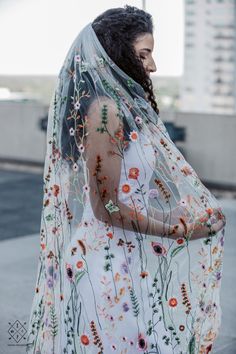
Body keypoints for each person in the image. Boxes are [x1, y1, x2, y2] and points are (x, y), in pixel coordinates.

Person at [26, 5, 226, 354]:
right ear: (119, 52)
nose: (152, 66)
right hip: (108, 271)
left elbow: (123, 196)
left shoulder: (112, 108)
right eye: (145, 54)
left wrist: (175, 213)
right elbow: (106, 207)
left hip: (123, 260)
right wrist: (179, 230)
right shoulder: (106, 111)